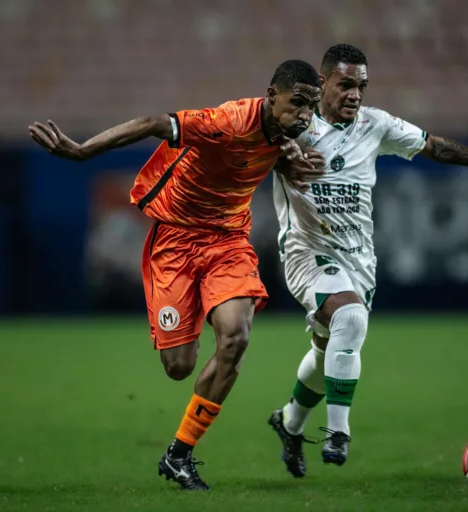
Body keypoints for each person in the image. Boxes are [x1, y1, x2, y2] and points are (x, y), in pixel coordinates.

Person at [29, 59, 321, 491]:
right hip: (176, 243)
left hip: (227, 243)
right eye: (297, 103)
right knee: (179, 366)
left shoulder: (286, 135)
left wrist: (286, 162)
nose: (304, 115)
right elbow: (153, 123)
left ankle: (179, 453)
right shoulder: (226, 121)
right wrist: (82, 150)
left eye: (310, 108)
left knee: (236, 338)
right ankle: (184, 372)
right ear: (271, 95)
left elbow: (264, 152)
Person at [268, 44, 468, 478]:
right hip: (306, 251)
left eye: (361, 86)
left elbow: (433, 147)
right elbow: (245, 147)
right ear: (323, 82)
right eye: (345, 84)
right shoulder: (291, 124)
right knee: (351, 319)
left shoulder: (374, 124)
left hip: (358, 259)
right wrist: (281, 160)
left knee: (328, 352)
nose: (355, 94)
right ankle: (338, 433)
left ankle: (289, 423)